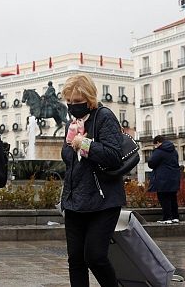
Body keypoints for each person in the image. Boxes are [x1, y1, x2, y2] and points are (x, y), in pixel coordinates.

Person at [60, 74, 126, 287]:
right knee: (76, 260)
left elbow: (114, 156)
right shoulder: (73, 123)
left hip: (102, 201)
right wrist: (71, 144)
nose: (72, 107)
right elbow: (69, 159)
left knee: (95, 256)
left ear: (89, 99)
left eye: (77, 102)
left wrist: (83, 143)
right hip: (74, 201)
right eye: (69, 102)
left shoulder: (104, 116)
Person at [147, 135, 181, 225]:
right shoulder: (174, 151)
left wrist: (155, 151)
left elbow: (151, 163)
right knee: (173, 198)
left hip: (162, 179)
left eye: (155, 145)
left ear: (158, 142)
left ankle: (167, 218)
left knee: (163, 198)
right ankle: (175, 217)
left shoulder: (159, 151)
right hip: (174, 178)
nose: (154, 146)